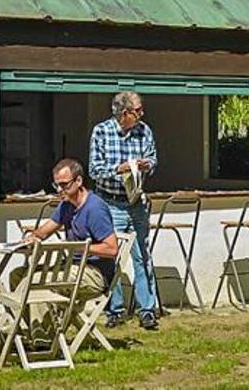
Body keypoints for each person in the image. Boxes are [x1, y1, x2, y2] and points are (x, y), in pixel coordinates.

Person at [89, 91, 159, 330]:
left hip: (136, 201)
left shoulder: (144, 130)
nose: (142, 114)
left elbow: (153, 158)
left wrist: (145, 165)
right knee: (113, 256)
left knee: (142, 255)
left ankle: (147, 309)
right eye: (138, 110)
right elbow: (94, 171)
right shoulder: (102, 132)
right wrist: (120, 169)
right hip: (110, 202)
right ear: (124, 113)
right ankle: (114, 309)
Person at [11, 158, 118, 308]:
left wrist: (77, 247)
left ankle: (40, 330)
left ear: (78, 181)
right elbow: (44, 231)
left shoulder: (95, 209)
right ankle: (25, 327)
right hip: (72, 267)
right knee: (17, 275)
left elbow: (112, 249)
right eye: (56, 185)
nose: (60, 190)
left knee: (36, 281)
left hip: (94, 273)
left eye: (64, 185)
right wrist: (33, 237)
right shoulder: (66, 205)